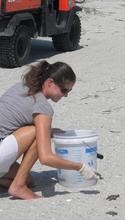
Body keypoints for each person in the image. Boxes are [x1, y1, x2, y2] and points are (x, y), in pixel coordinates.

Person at [0, 60, 99, 200]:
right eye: (64, 90)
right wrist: (80, 167)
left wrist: (50, 131)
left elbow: (12, 123)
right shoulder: (43, 107)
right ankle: (18, 187)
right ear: (50, 82)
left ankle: (20, 183)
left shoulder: (22, 87)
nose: (65, 95)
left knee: (29, 179)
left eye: (69, 91)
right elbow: (46, 158)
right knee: (36, 133)